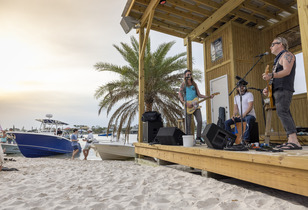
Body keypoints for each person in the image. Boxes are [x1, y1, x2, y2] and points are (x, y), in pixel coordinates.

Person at [262, 37, 302, 150]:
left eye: (272, 44)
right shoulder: (277, 59)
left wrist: (271, 75)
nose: (270, 47)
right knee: (283, 112)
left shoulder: (287, 55)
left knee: (282, 112)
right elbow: (276, 77)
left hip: (284, 89)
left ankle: (294, 141)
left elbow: (286, 71)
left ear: (281, 44)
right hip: (277, 89)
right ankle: (291, 140)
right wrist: (267, 88)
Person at [179, 69, 215, 143]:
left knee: (200, 120)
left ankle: (198, 137)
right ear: (185, 76)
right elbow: (179, 94)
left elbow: (199, 95)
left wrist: (208, 96)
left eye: (190, 74)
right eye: (188, 74)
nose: (189, 76)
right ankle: (189, 139)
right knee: (188, 123)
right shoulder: (183, 84)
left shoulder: (194, 84)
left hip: (196, 105)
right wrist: (185, 103)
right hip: (188, 105)